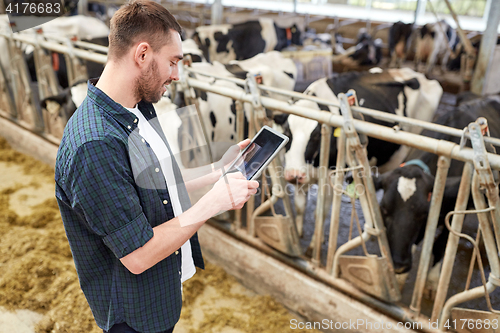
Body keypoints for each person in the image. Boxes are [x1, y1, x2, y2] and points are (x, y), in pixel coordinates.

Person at [54, 1, 259, 332]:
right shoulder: (95, 145)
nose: (177, 75)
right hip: (134, 315)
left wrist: (215, 173)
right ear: (143, 54)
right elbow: (138, 256)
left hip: (159, 291)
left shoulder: (136, 107)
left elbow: (149, 181)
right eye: (173, 62)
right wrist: (213, 202)